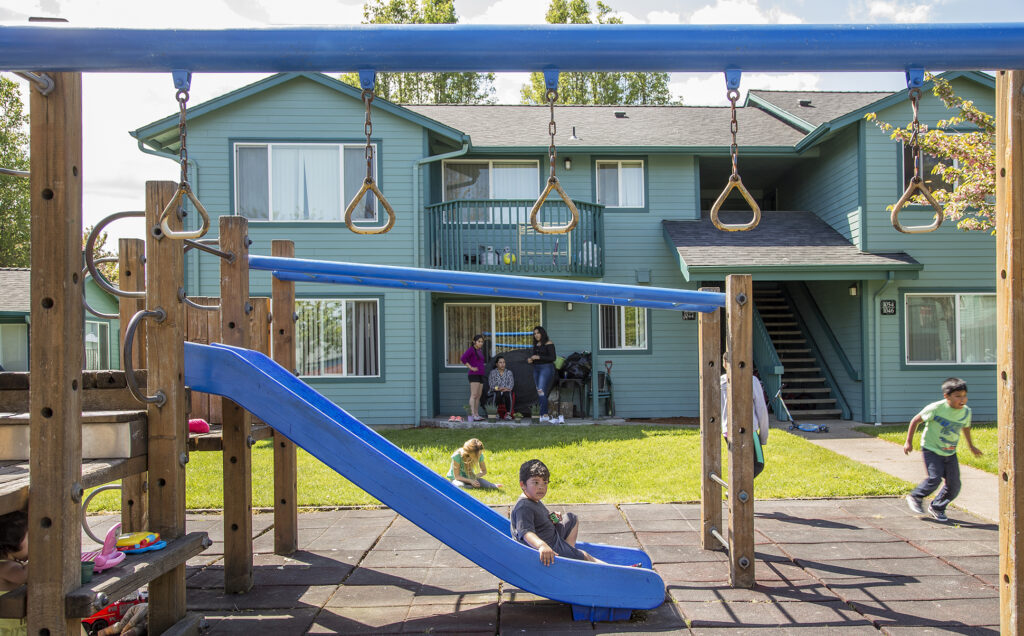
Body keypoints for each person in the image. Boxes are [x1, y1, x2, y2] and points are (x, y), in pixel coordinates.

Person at [904, 377, 982, 522]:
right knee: (934, 478)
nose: (962, 399)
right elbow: (915, 420)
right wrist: (908, 442)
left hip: (950, 452)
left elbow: (965, 427)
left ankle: (937, 507)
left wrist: (971, 446)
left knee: (954, 485)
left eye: (964, 395)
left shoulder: (966, 412)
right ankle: (916, 496)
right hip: (931, 449)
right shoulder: (936, 408)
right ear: (946, 396)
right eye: (957, 396)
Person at [510, 459, 597, 565]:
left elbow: (538, 522)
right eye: (536, 482)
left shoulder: (533, 499)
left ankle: (568, 555)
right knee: (585, 556)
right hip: (549, 546)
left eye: (545, 482)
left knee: (571, 518)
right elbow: (526, 533)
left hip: (552, 536)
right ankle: (609, 569)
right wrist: (542, 545)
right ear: (522, 485)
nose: (541, 487)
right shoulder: (524, 507)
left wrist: (551, 518)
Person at [720, 353, 770, 478]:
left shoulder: (720, 381)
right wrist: (763, 436)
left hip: (728, 430)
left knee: (738, 464)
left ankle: (736, 490)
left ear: (724, 364)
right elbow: (761, 409)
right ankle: (736, 489)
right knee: (758, 463)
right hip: (750, 430)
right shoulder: (752, 380)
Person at [527, 326, 562, 424]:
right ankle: (543, 415)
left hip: (546, 368)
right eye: (534, 333)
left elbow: (552, 358)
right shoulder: (536, 345)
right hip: (536, 369)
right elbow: (536, 358)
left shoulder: (548, 343)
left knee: (541, 390)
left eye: (538, 333)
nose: (536, 335)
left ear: (542, 333)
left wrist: (538, 357)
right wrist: (531, 360)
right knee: (540, 391)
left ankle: (544, 415)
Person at [0, 510, 28, 636]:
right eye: (31, 537)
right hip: (9, 632)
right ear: (15, 540)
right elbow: (24, 576)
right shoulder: (4, 566)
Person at [460, 334, 487, 422]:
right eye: (479, 341)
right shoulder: (471, 350)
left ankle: (476, 414)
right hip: (473, 375)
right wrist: (471, 367)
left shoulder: (479, 350)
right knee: (474, 395)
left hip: (481, 375)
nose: (481, 343)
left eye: (482, 342)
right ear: (474, 342)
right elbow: (463, 358)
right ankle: (472, 415)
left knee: (478, 395)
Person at [488, 355, 515, 420]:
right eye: (500, 362)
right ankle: (495, 413)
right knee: (497, 394)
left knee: (508, 394)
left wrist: (505, 389)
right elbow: (492, 385)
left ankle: (508, 414)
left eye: (504, 362)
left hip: (506, 390)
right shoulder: (493, 372)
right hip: (496, 390)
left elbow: (511, 384)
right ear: (497, 364)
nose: (502, 364)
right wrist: (500, 389)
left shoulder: (509, 372)